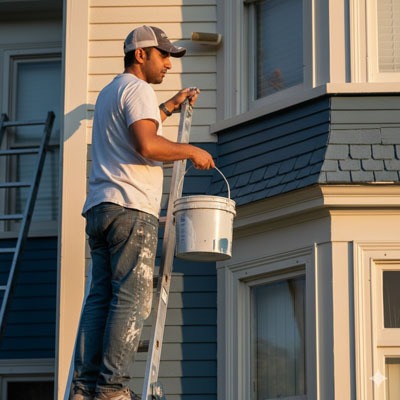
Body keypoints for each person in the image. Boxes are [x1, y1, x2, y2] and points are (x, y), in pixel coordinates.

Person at [70, 25, 215, 400]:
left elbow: (136, 131)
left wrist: (168, 106)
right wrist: (191, 150)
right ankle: (112, 389)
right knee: (131, 299)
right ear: (140, 55)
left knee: (100, 298)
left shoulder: (111, 92)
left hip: (101, 208)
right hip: (131, 209)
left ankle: (86, 387)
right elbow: (147, 145)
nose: (168, 64)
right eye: (163, 55)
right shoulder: (138, 90)